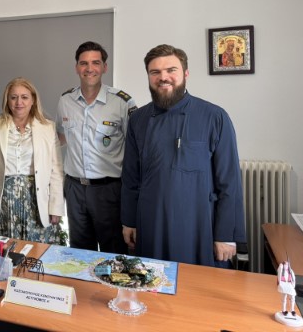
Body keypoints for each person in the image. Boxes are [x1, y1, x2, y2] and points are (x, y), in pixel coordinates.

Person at [121, 44, 246, 267]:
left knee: (200, 286)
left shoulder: (214, 117)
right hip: (151, 224)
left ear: (185, 73)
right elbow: (130, 177)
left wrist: (226, 235)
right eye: (155, 72)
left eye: (171, 70)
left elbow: (230, 182)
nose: (163, 77)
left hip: (199, 227)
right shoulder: (138, 120)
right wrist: (129, 221)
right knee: (152, 281)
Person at [56, 41, 136, 253]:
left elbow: (135, 147)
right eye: (84, 63)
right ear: (76, 67)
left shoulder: (122, 102)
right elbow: (60, 137)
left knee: (114, 252)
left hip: (109, 190)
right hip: (74, 189)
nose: (89, 68)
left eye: (95, 63)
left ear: (104, 67)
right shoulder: (65, 100)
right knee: (79, 252)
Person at [0, 77, 65, 243]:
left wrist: (56, 207)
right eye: (13, 97)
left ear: (33, 100)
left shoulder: (48, 127)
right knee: (8, 248)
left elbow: (56, 170)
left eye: (24, 97)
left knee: (37, 249)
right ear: (7, 100)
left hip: (38, 199)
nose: (19, 102)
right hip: (4, 200)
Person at [275, 259, 301, 325]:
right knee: (284, 298)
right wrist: (281, 266)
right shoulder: (281, 269)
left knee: (293, 297)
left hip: (289, 284)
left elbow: (293, 278)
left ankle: (292, 310)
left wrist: (293, 284)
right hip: (283, 284)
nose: (287, 265)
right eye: (285, 264)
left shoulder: (290, 271)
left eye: (288, 264)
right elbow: (279, 271)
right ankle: (284, 310)